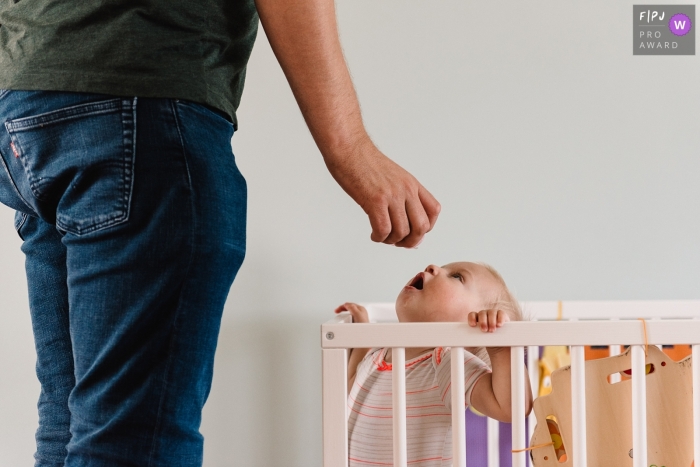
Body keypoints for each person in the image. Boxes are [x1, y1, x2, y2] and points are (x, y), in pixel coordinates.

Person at [0, 0, 441, 466]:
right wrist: (351, 150)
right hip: (135, 102)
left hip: (29, 98)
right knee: (131, 442)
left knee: (74, 426)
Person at [335, 262, 533, 467]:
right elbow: (352, 387)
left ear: (477, 321)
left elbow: (512, 409)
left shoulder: (447, 363)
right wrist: (361, 334)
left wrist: (502, 349)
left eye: (457, 277)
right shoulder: (379, 355)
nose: (432, 267)